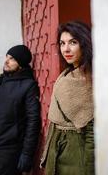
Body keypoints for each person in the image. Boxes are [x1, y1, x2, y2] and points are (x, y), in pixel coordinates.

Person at [0, 45, 41, 175]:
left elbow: (33, 122)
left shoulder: (28, 86)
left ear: (20, 64)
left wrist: (27, 153)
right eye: (7, 57)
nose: (6, 61)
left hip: (8, 153)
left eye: (12, 59)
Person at [40, 21, 95, 175]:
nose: (66, 49)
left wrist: (90, 169)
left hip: (76, 153)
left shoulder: (90, 79)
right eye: (62, 43)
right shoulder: (67, 74)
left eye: (73, 42)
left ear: (85, 43)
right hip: (58, 147)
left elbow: (92, 133)